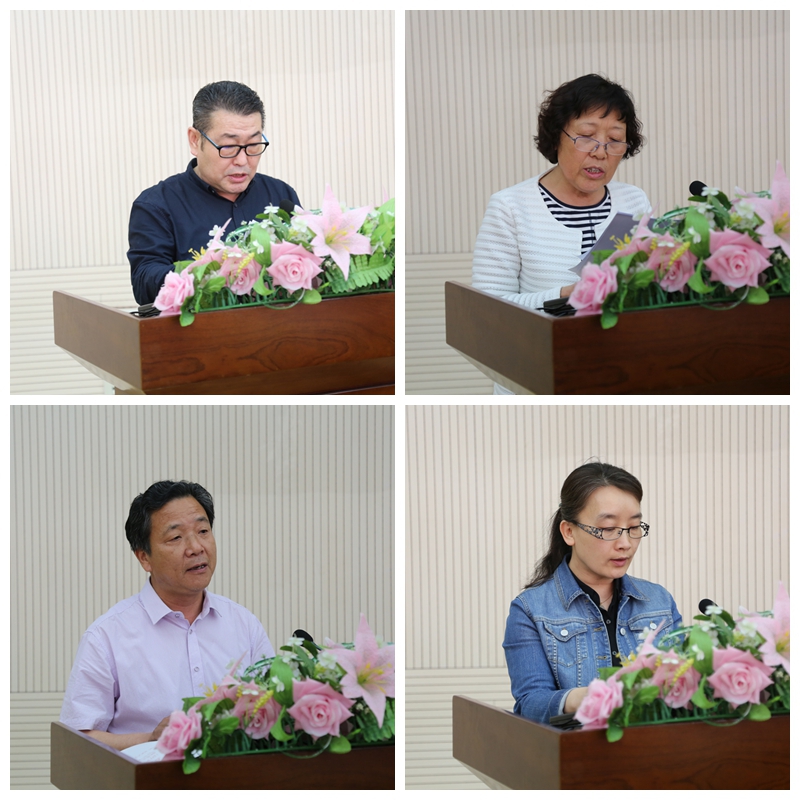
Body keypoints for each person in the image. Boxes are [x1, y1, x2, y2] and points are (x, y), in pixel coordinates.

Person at [60, 480, 275, 751]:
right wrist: (150, 740)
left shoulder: (244, 624)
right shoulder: (106, 637)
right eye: (176, 537)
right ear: (144, 558)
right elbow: (77, 740)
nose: (196, 547)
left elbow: (275, 711)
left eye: (203, 531)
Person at [472, 74, 651, 394]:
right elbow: (489, 312)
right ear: (557, 136)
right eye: (586, 136)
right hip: (534, 385)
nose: (601, 152)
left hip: (619, 377)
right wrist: (568, 295)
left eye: (614, 139)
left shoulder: (633, 201)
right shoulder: (510, 207)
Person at [502, 462, 682, 726]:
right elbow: (530, 705)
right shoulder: (530, 610)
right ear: (569, 532)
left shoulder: (659, 602)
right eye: (608, 529)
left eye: (634, 527)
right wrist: (586, 697)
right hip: (579, 750)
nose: (625, 544)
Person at [128, 81, 301, 305]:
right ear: (195, 140)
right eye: (228, 146)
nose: (242, 160)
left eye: (253, 144)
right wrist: (213, 270)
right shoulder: (157, 206)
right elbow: (144, 285)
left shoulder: (280, 195)